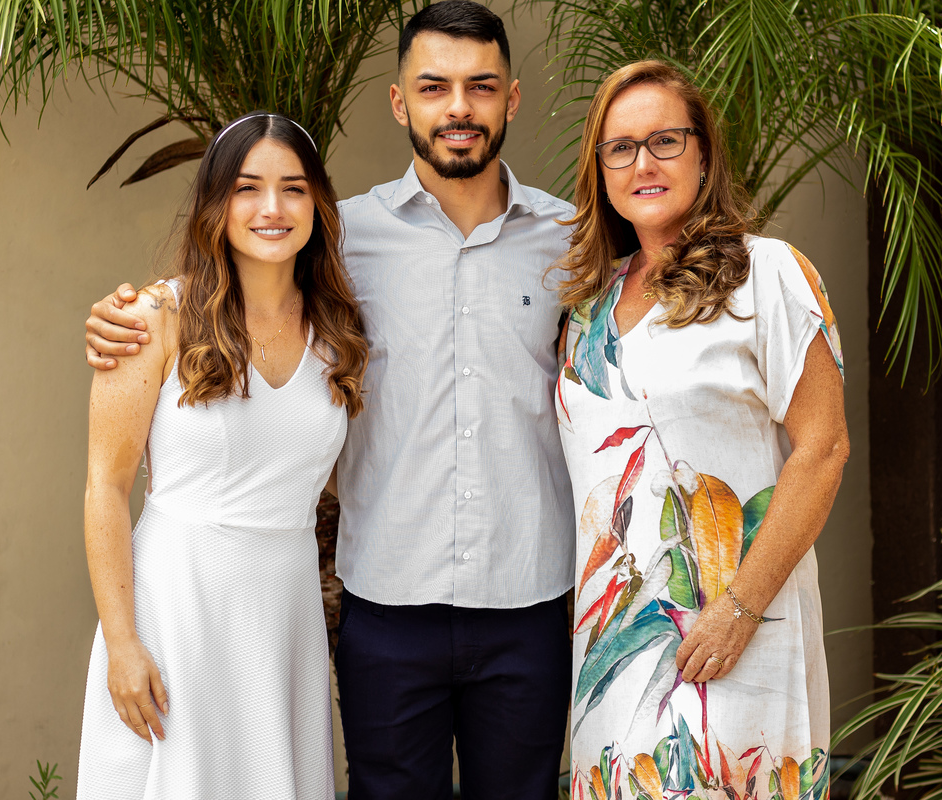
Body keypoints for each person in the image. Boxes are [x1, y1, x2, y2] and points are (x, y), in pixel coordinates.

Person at [83, 3, 574, 798]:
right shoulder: (344, 242)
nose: (458, 107)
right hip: (380, 609)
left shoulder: (575, 242)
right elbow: (121, 459)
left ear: (510, 98)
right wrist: (126, 317)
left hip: (526, 602)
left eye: (481, 86)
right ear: (399, 102)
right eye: (434, 86)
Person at [555, 61, 848, 800]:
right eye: (621, 147)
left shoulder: (768, 274)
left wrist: (738, 610)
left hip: (736, 635)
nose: (643, 163)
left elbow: (823, 449)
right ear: (600, 170)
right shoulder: (586, 313)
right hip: (614, 654)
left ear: (705, 154)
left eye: (666, 140)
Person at [78, 111, 368, 800]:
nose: (272, 208)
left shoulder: (338, 332)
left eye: (293, 188)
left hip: (284, 612)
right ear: (216, 203)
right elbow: (105, 487)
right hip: (176, 607)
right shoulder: (154, 319)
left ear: (318, 204)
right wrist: (123, 643)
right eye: (247, 188)